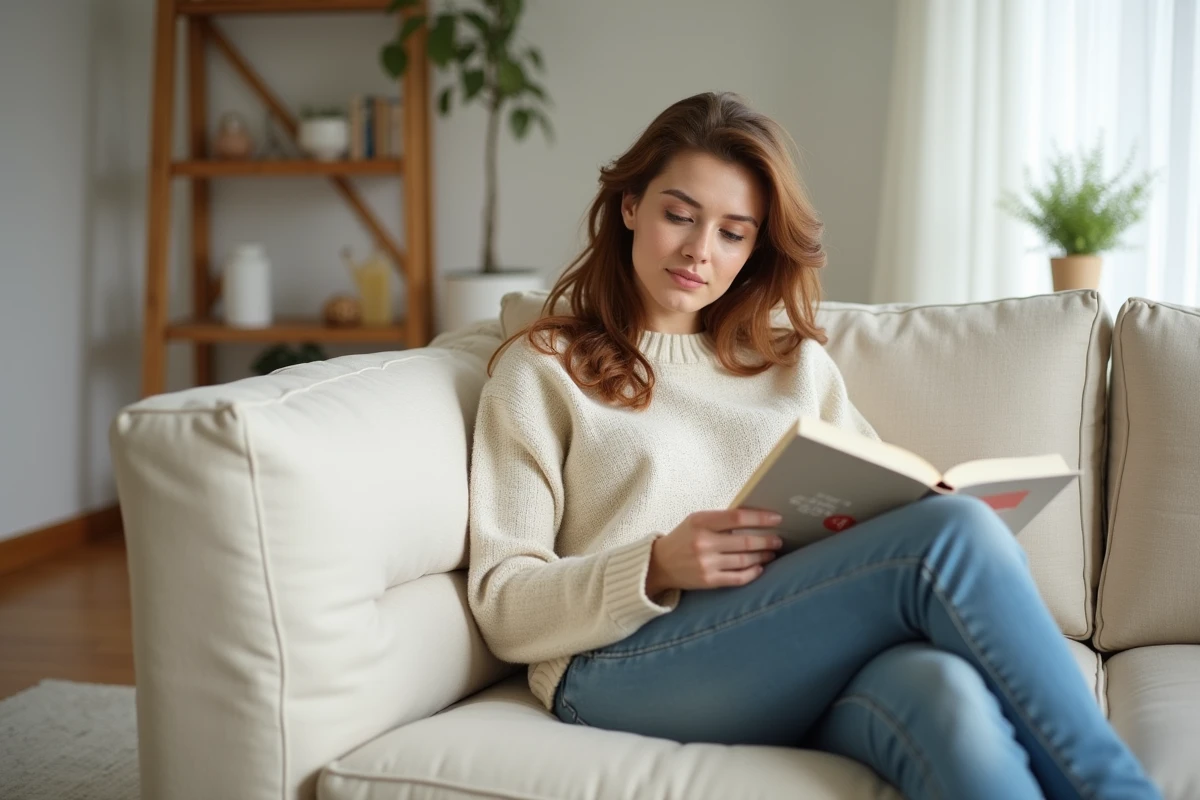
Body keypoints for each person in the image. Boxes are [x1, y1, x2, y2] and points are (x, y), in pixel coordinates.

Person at [465, 91, 1160, 800]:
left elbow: (883, 503)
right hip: (616, 667)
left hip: (790, 656)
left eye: (733, 233)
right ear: (630, 206)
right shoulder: (545, 370)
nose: (700, 250)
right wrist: (657, 564)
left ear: (755, 248)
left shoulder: (792, 366)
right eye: (680, 215)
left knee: (944, 691)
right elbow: (502, 604)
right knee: (952, 536)